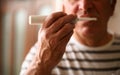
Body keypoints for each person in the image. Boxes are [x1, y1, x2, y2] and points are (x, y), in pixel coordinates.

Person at [20, 0, 120, 75]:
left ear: (112, 6)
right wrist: (41, 65)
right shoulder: (42, 52)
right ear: (64, 9)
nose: (84, 6)